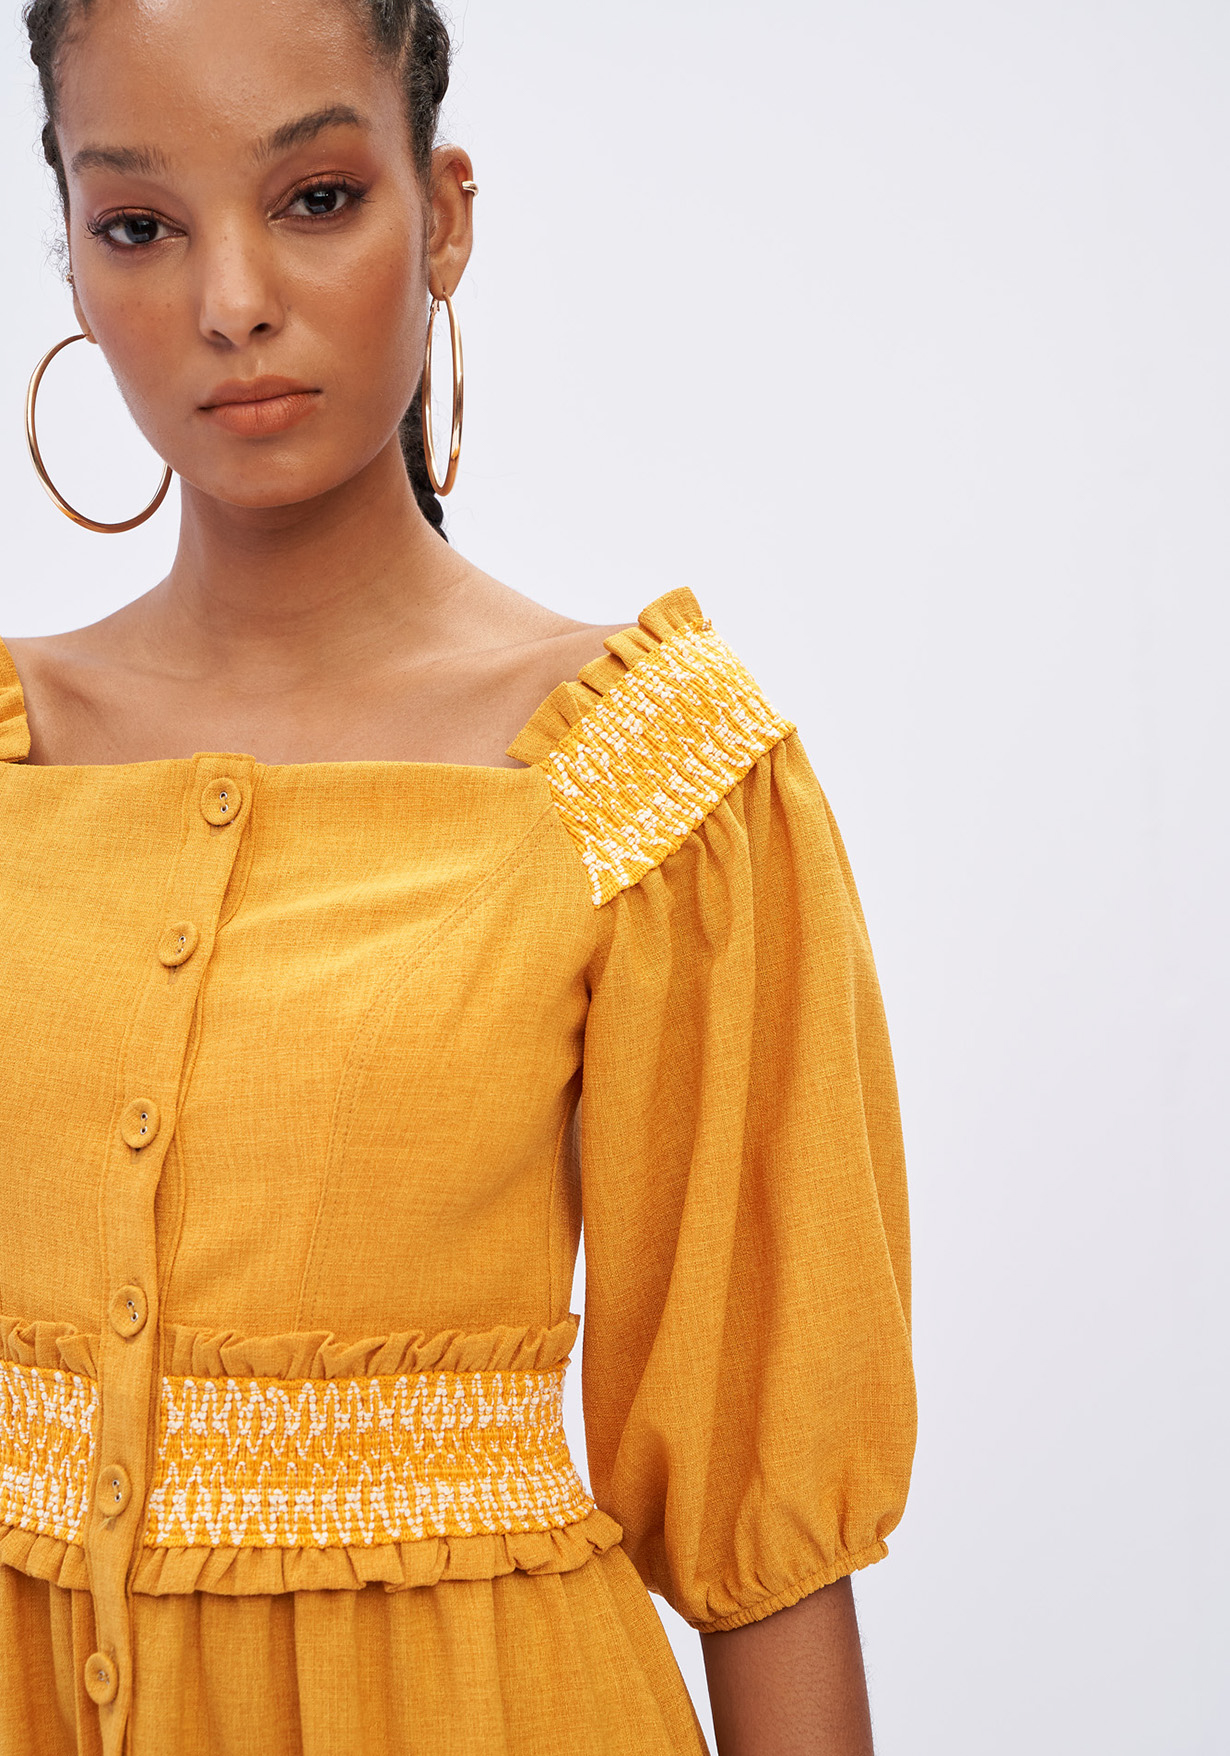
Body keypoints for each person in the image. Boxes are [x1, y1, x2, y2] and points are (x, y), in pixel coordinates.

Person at [1, 1, 916, 1750]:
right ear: (73, 263)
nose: (230, 300)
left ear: (444, 217)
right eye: (139, 225)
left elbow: (765, 1527)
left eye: (316, 198)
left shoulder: (648, 777)